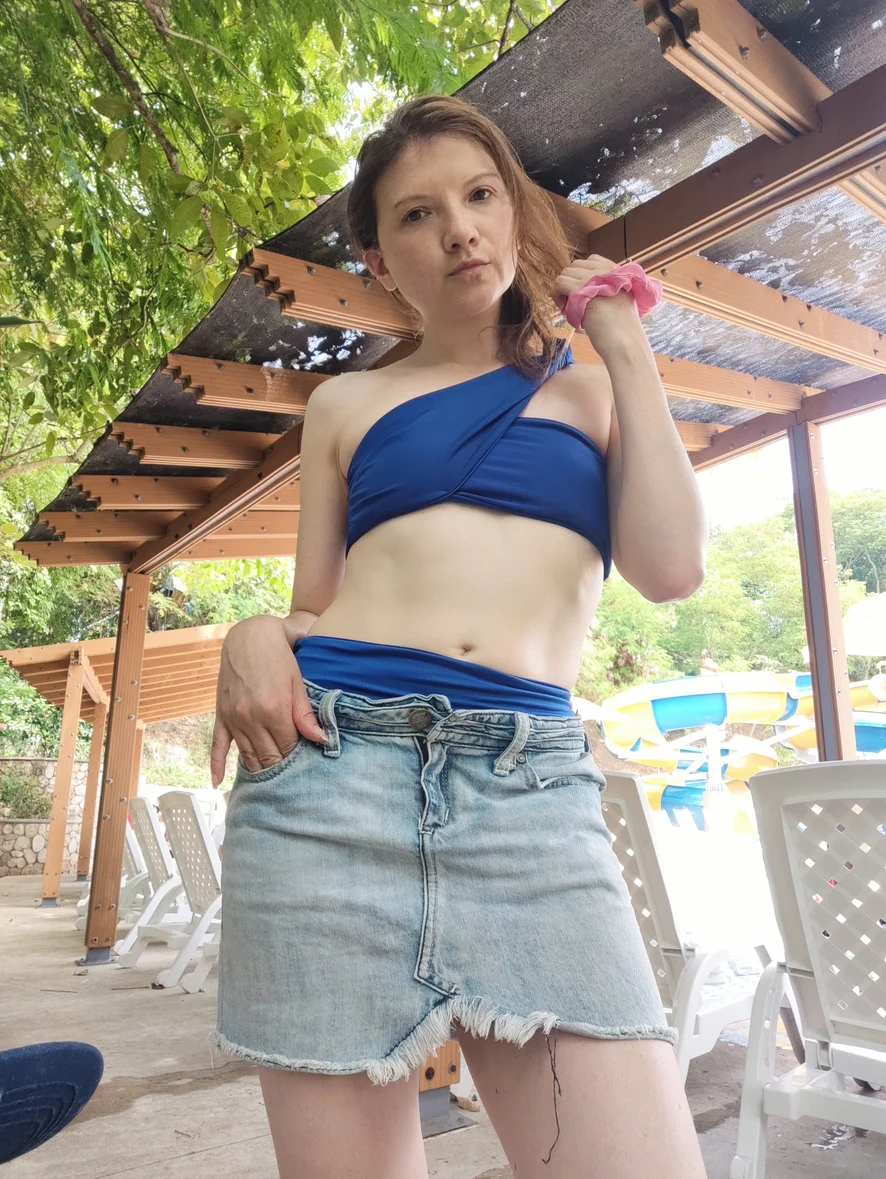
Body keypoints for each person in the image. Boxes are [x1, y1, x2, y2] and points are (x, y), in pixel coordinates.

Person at [209, 94, 709, 1179]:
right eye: (418, 214)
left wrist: (625, 346)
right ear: (380, 259)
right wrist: (252, 632)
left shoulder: (591, 393)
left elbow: (671, 569)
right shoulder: (344, 404)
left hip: (529, 793)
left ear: (515, 213)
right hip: (330, 779)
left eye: (480, 197)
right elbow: (314, 603)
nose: (459, 231)